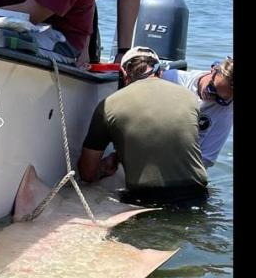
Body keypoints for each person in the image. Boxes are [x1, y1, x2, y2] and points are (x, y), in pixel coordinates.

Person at [78, 46, 208, 202]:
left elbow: (87, 173)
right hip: (198, 194)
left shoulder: (108, 105)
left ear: (124, 74)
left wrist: (105, 166)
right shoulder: (189, 98)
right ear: (160, 72)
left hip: (146, 199)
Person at [162, 57, 233, 168]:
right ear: (213, 70)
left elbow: (206, 158)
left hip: (184, 165)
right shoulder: (170, 79)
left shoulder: (226, 111)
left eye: (221, 99)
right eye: (212, 88)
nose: (210, 97)